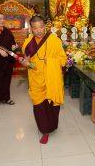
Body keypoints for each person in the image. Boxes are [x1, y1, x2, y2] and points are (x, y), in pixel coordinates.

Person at [21, 15, 67, 144]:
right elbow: (29, 62)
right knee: (39, 107)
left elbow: (63, 60)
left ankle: (52, 126)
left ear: (45, 27)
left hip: (52, 79)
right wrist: (26, 63)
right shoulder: (28, 43)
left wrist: (51, 61)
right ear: (31, 29)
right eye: (35, 28)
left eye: (41, 27)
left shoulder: (54, 40)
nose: (39, 30)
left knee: (52, 106)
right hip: (36, 79)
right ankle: (44, 130)